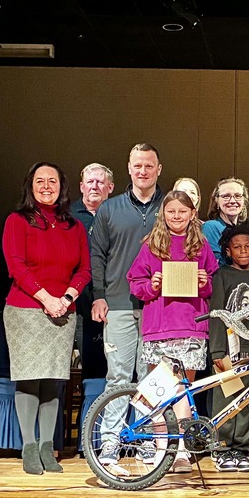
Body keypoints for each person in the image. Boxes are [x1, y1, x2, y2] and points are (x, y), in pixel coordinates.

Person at [2, 162, 91, 475]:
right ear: (30, 186)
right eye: (39, 181)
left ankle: (46, 446)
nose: (46, 186)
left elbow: (84, 270)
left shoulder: (74, 226)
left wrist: (65, 299)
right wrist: (46, 298)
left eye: (52, 181)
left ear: (61, 187)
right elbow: (16, 265)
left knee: (53, 381)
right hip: (26, 310)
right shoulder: (17, 221)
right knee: (29, 378)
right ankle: (29, 446)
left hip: (63, 312)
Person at [127, 190, 219, 472]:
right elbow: (135, 283)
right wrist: (151, 285)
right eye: (171, 211)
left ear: (192, 214)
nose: (176, 216)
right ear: (163, 214)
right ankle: (160, 449)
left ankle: (180, 451)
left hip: (191, 325)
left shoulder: (201, 246)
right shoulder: (151, 245)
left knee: (181, 390)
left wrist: (203, 282)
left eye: (182, 211)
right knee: (158, 390)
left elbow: (212, 284)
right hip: (159, 326)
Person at [89, 143, 165, 393]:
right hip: (118, 304)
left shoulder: (170, 208)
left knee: (152, 380)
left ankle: (147, 422)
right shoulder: (109, 209)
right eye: (138, 166)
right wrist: (98, 296)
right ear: (129, 168)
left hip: (159, 305)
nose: (143, 171)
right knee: (117, 379)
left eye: (149, 166)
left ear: (159, 169)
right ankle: (113, 423)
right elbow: (97, 255)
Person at [208, 222, 249, 472]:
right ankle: (222, 449)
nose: (243, 250)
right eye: (237, 247)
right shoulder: (222, 276)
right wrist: (217, 351)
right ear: (228, 251)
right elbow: (216, 315)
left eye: (247, 246)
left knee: (247, 400)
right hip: (228, 350)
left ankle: (241, 449)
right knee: (226, 399)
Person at [70, 163, 114, 381]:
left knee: (112, 364)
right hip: (78, 303)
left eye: (100, 182)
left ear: (110, 187)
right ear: (81, 186)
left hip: (112, 300)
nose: (94, 186)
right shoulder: (68, 216)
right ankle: (89, 403)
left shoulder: (117, 214)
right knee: (88, 364)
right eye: (90, 182)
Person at [202, 177, 249, 266]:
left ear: (244, 200)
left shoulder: (248, 231)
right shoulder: (211, 227)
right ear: (217, 201)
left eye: (237, 196)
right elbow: (215, 265)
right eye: (226, 196)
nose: (232, 201)